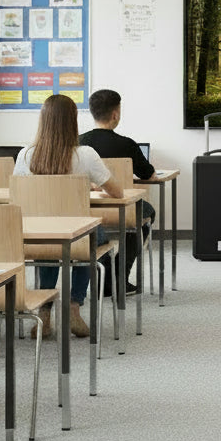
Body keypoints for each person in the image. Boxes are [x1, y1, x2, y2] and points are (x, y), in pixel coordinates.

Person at [14, 93, 125, 338]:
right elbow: (117, 193)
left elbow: (16, 198)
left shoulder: (25, 155)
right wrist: (92, 187)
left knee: (53, 244)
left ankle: (44, 312)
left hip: (36, 238)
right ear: (73, 121)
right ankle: (74, 307)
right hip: (78, 239)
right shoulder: (85, 155)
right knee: (89, 235)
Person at [79, 88, 156, 294]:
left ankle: (104, 271)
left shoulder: (78, 143)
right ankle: (118, 276)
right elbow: (148, 175)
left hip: (85, 212)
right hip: (121, 209)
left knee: (102, 229)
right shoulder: (127, 145)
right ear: (115, 114)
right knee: (146, 213)